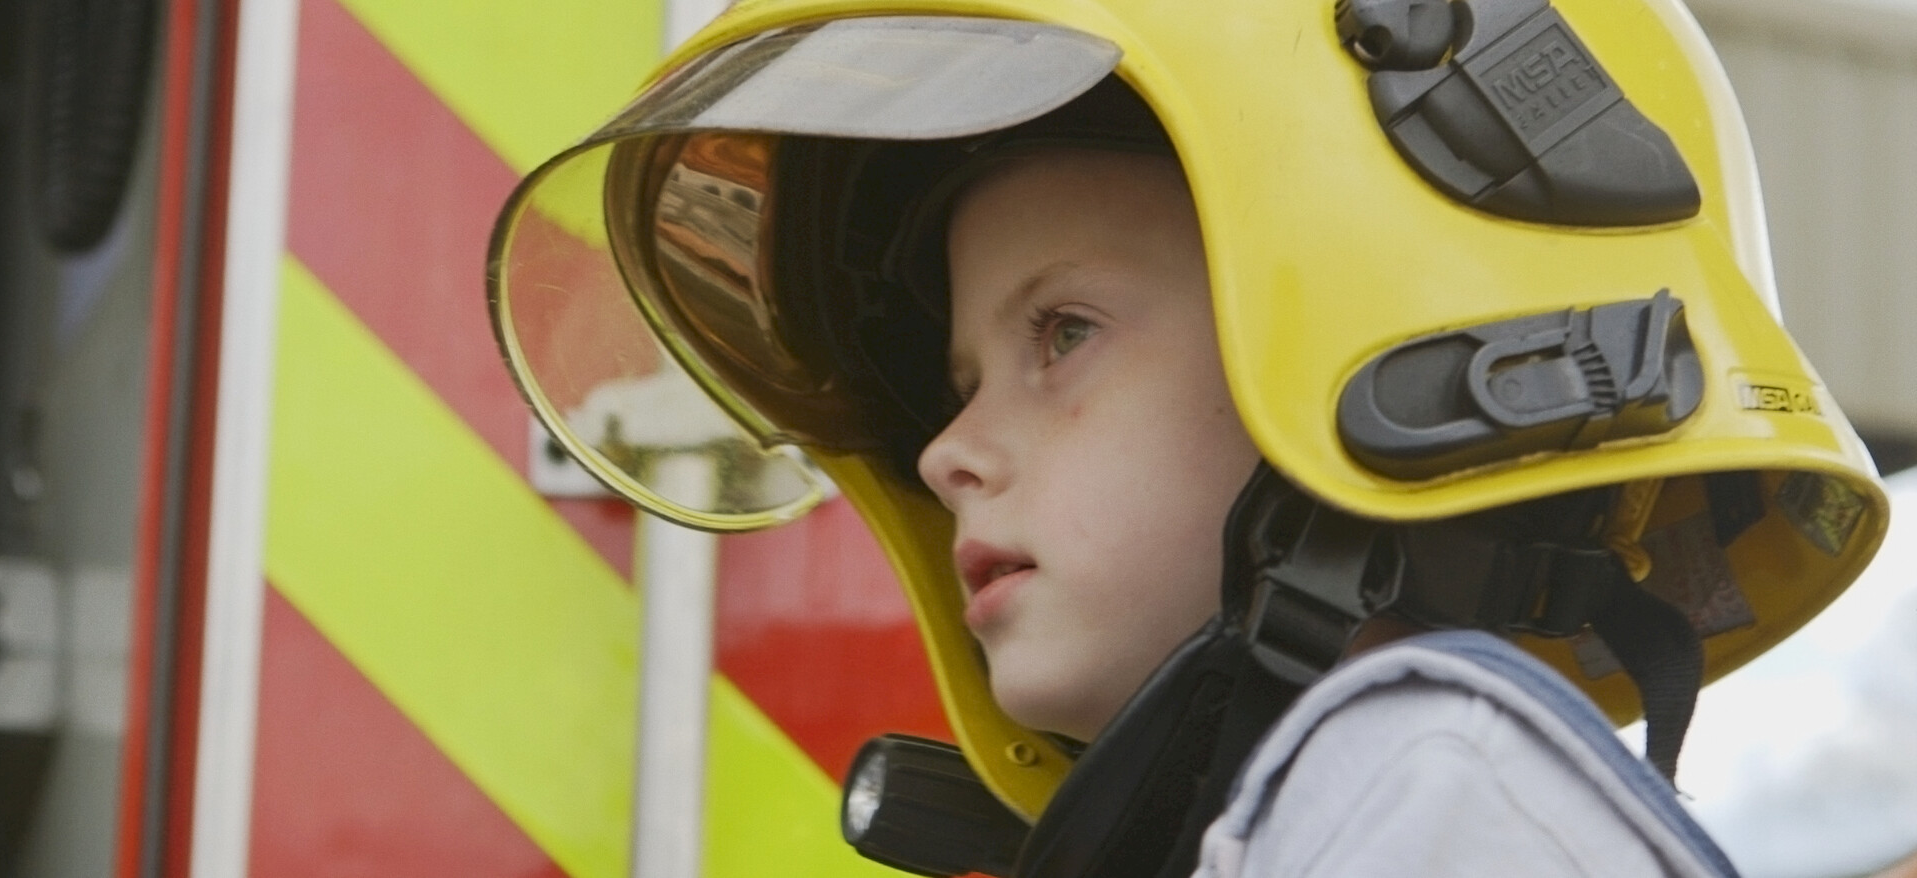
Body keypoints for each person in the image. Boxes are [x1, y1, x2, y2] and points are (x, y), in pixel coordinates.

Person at [486, 0, 1890, 875]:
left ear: (1424, 365)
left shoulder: (1430, 796)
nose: (943, 453)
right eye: (962, 377)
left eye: (1062, 333)